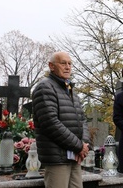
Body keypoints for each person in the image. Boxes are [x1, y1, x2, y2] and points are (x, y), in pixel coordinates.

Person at [32, 51, 90, 188]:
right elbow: (50, 123)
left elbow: (82, 120)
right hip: (57, 158)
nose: (68, 67)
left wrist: (85, 144)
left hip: (75, 156)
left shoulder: (71, 90)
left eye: (70, 64)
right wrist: (79, 146)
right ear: (51, 66)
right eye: (63, 63)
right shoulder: (45, 87)